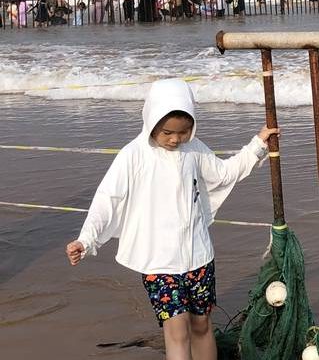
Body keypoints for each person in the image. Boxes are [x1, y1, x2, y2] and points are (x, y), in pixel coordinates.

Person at [65, 78, 279, 360]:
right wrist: (86, 240)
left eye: (183, 131)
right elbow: (108, 199)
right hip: (159, 263)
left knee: (202, 325)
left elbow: (225, 174)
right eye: (167, 132)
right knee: (177, 331)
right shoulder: (134, 155)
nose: (175, 139)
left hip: (199, 257)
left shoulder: (194, 149)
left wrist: (257, 144)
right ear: (151, 121)